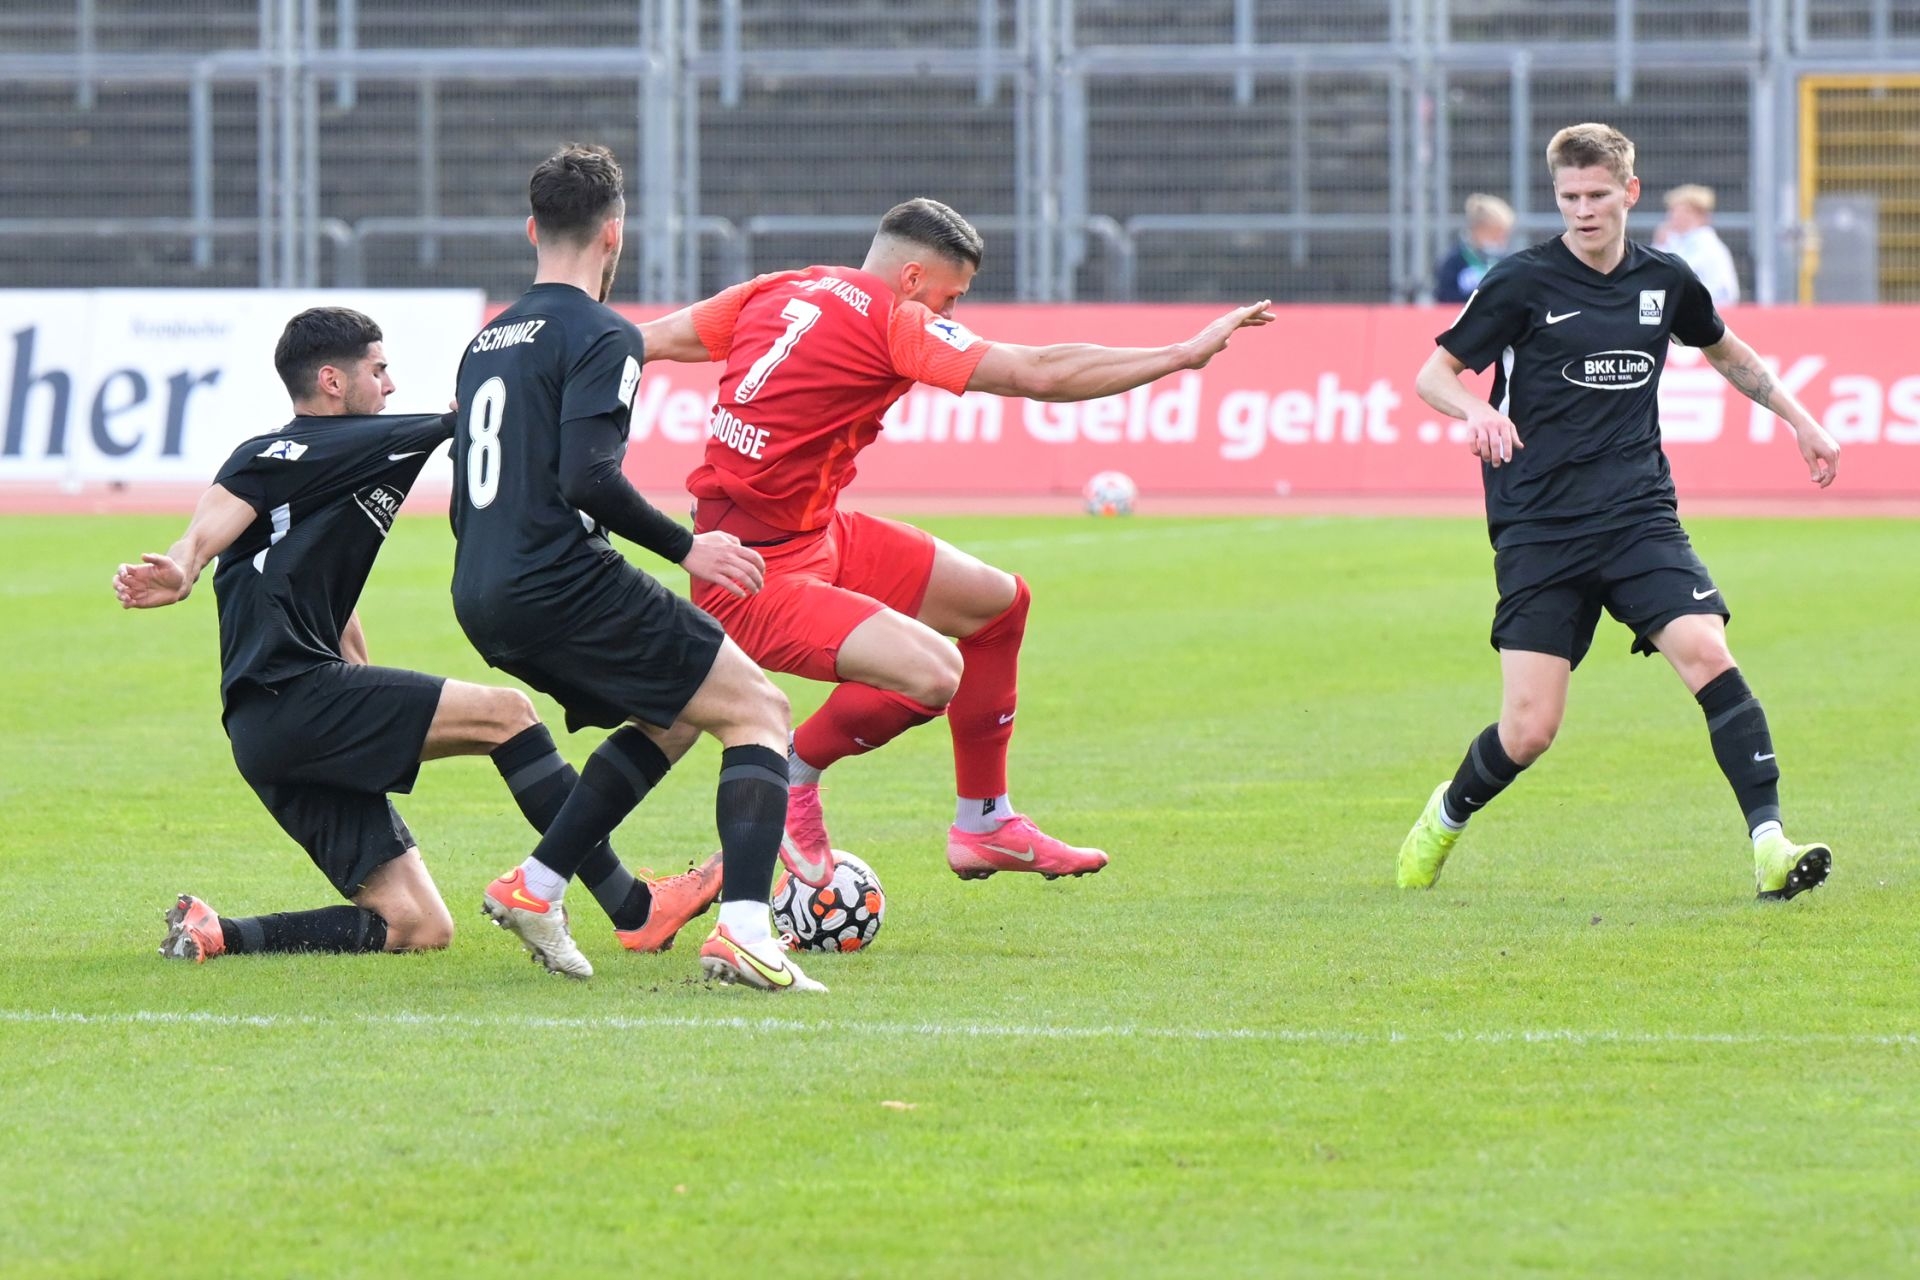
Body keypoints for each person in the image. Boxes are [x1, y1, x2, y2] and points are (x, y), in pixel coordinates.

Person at [636, 197, 1273, 889]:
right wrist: (1182, 354)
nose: (951, 317)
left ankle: (984, 823)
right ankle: (791, 775)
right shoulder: (894, 322)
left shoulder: (782, 287)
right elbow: (1040, 372)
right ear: (912, 279)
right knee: (934, 675)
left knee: (997, 605)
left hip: (813, 533)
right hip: (753, 578)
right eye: (950, 297)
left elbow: (653, 338)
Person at [113, 307, 719, 963]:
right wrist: (183, 565)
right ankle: (635, 908)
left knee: (417, 925)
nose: (391, 383)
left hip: (279, 725)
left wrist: (362, 683)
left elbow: (327, 602)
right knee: (507, 715)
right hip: (287, 699)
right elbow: (208, 527)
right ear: (332, 381)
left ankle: (218, 933)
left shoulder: (349, 463)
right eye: (379, 369)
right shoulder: (275, 453)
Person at [1396, 123, 1840, 900]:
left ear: (1628, 192)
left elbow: (1727, 350)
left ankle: (1770, 844)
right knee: (1530, 730)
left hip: (1638, 516)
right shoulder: (1521, 282)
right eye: (1569, 198)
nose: (1583, 210)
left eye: (1597, 195)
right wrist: (1475, 411)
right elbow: (1434, 374)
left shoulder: (1665, 280)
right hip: (1539, 526)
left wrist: (1801, 420)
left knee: (1708, 652)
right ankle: (1447, 813)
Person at [451, 142, 821, 992]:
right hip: (558, 581)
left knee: (678, 711)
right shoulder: (605, 333)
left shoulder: (486, 343)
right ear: (614, 233)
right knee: (760, 706)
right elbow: (589, 477)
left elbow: (474, 495)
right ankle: (745, 930)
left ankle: (536, 886)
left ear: (531, 227)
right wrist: (692, 548)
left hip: (483, 590)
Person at [1654, 184, 1741, 307]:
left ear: (1696, 214)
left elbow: (1672, 276)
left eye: (1677, 211)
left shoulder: (1707, 245)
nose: (1671, 216)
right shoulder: (1677, 242)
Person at [1433, 194, 1515, 304]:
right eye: (1495, 234)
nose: (1501, 240)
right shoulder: (1454, 262)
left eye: (1504, 235)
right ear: (1478, 230)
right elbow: (1443, 297)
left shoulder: (1507, 262)